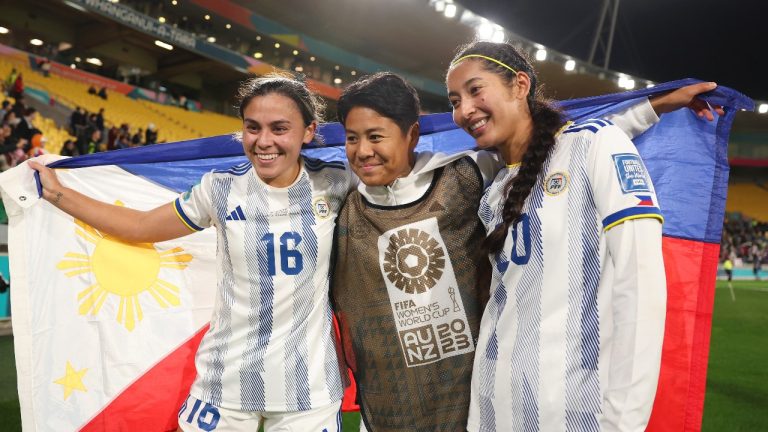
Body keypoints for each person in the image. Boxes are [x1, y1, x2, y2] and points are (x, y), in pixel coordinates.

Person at [333, 70, 717, 431]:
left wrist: (653, 107)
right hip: (390, 407)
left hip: (463, 402)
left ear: (412, 134)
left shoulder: (464, 175)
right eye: (352, 138)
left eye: (376, 136)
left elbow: (555, 145)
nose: (363, 150)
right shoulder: (339, 198)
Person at [29, 73, 354, 432]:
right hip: (225, 380)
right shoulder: (219, 189)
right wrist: (56, 193)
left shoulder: (336, 182)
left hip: (309, 384)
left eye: (279, 128)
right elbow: (140, 227)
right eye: (253, 127)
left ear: (308, 131)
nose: (264, 141)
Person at [444, 40, 722, 431]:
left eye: (475, 90)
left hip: (571, 412)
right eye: (455, 100)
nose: (463, 110)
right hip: (491, 407)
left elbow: (640, 288)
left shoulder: (595, 144)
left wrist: (624, 421)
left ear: (520, 85)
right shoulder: (491, 191)